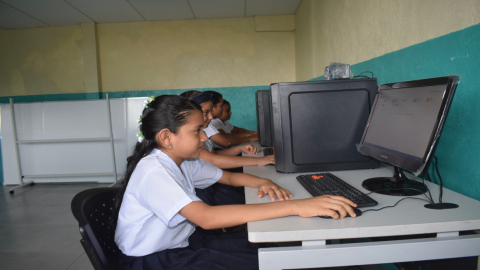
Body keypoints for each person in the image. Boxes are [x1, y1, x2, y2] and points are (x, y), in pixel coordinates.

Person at [114, 95, 357, 270]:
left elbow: (228, 177)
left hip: (184, 243)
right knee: (262, 260)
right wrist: (297, 206)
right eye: (197, 130)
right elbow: (207, 218)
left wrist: (262, 182)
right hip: (154, 260)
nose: (203, 136)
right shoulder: (153, 170)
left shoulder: (183, 159)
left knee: (265, 248)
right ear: (167, 136)